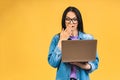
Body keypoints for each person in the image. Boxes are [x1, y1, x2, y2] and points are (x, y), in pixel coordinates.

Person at [48, 6, 99, 80]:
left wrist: (81, 65)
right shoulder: (56, 38)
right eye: (68, 19)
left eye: (74, 19)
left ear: (78, 21)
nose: (71, 22)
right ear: (64, 21)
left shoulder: (88, 38)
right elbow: (53, 63)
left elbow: (95, 63)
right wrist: (62, 40)